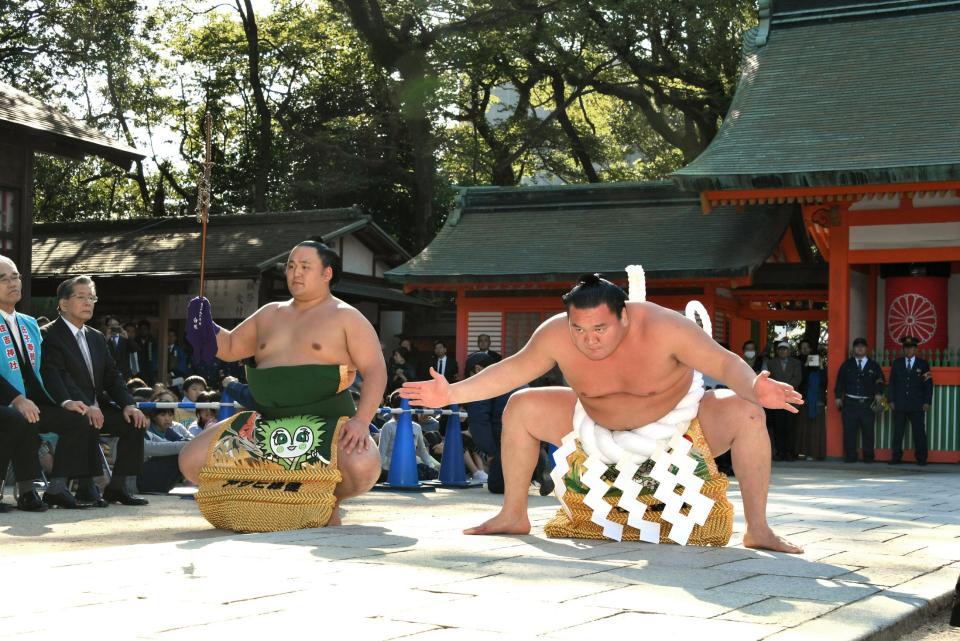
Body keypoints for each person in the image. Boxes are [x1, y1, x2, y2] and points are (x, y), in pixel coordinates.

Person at [402, 273, 803, 553]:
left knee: (747, 412)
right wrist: (451, 393)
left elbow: (724, 362)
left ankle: (759, 529)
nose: (589, 340)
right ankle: (513, 513)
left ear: (624, 316)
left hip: (680, 430)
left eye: (600, 329)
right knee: (522, 405)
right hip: (594, 429)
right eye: (579, 329)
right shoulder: (557, 333)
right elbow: (511, 370)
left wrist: (753, 386)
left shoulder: (667, 328)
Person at [179, 240, 385, 528]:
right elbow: (229, 346)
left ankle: (327, 498)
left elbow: (375, 370)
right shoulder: (269, 313)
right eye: (290, 266)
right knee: (191, 459)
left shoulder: (346, 317)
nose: (295, 273)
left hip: (326, 423)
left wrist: (362, 421)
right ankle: (266, 501)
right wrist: (205, 326)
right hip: (266, 423)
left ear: (327, 274)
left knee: (363, 462)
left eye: (304, 267)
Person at [40, 275, 151, 506]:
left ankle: (118, 487)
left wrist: (128, 404)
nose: (88, 302)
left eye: (91, 297)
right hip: (64, 404)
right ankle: (70, 487)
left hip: (95, 405)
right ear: (63, 303)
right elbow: (58, 376)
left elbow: (112, 377)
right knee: (83, 418)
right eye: (81, 297)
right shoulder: (48, 333)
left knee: (135, 421)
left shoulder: (97, 337)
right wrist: (85, 403)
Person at [0, 256, 92, 511]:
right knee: (20, 417)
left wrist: (66, 400)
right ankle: (27, 491)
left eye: (15, 276)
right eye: (3, 278)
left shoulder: (29, 323)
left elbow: (46, 370)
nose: (12, 283)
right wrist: (16, 399)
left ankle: (56, 489)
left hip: (32, 401)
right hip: (7, 402)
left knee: (76, 418)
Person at [833, 337, 885, 463]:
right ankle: (850, 456)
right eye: (857, 346)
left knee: (868, 432)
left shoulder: (874, 365)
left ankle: (868, 457)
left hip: (867, 403)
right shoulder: (847, 365)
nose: (860, 348)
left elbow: (880, 381)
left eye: (862, 346)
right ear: (853, 349)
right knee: (849, 431)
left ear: (866, 349)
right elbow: (840, 382)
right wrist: (838, 397)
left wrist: (878, 393)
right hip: (850, 403)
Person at [888, 336, 933, 466]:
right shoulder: (897, 363)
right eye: (906, 348)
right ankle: (896, 457)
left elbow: (928, 384)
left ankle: (922, 458)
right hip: (900, 404)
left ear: (915, 349)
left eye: (911, 348)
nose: (908, 350)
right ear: (903, 349)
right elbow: (892, 383)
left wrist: (927, 401)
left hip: (917, 404)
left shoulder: (923, 364)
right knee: (898, 432)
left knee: (919, 432)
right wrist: (891, 400)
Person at [763, 341, 802, 461]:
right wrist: (779, 390)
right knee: (778, 427)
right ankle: (780, 452)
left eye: (785, 349)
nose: (782, 351)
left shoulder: (796, 363)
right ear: (777, 351)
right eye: (780, 349)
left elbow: (798, 378)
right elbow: (768, 379)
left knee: (790, 427)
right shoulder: (771, 363)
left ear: (789, 351)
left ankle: (790, 452)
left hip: (791, 397)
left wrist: (786, 389)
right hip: (776, 398)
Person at [795, 339, 827, 460]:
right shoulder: (798, 362)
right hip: (804, 400)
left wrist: (821, 366)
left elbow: (825, 382)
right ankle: (802, 452)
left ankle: (815, 453)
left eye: (806, 347)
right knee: (802, 428)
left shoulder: (821, 368)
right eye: (802, 347)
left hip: (817, 402)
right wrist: (806, 365)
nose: (804, 349)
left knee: (816, 429)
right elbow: (801, 381)